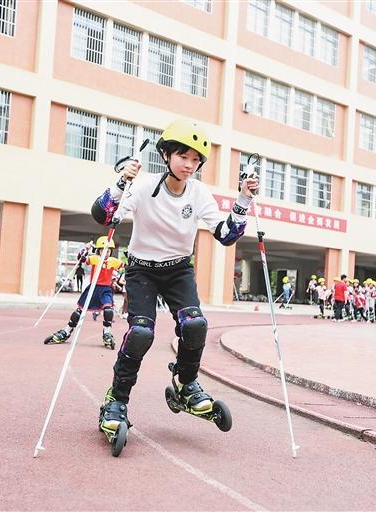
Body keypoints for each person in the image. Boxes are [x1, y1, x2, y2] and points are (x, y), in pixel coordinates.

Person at [90, 118, 259, 436]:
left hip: (179, 270)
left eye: (196, 160)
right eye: (183, 156)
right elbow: (103, 216)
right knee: (141, 333)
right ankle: (116, 400)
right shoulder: (142, 185)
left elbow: (225, 235)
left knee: (195, 325)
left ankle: (185, 384)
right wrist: (119, 183)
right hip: (142, 271)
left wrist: (243, 201)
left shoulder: (198, 193)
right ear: (166, 155)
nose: (189, 164)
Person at [44, 236, 124, 348]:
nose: (105, 253)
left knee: (108, 311)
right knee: (78, 312)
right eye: (103, 250)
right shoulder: (95, 259)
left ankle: (107, 333)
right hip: (93, 288)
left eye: (108, 251)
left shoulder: (114, 261)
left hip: (106, 289)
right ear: (99, 250)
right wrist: (85, 250)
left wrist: (130, 256)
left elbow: (126, 266)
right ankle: (66, 331)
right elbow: (81, 259)